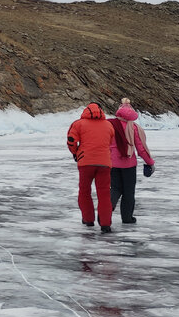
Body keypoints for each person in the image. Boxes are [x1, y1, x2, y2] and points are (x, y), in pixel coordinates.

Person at [67, 103, 116, 232]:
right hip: (104, 163)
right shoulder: (108, 125)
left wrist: (75, 152)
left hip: (85, 162)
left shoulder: (79, 124)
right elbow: (110, 142)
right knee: (104, 194)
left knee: (84, 191)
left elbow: (71, 140)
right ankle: (106, 224)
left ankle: (88, 219)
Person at [108, 98, 156, 224]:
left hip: (112, 163)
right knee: (129, 192)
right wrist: (150, 163)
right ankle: (127, 218)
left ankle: (106, 210)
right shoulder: (134, 128)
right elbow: (141, 148)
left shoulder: (110, 125)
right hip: (129, 165)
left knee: (115, 188)